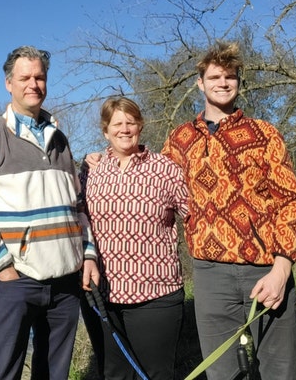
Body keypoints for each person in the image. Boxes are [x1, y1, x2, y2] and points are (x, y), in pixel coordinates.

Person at [161, 41, 296, 380]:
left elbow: (290, 201)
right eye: (214, 77)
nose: (222, 83)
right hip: (210, 275)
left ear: (239, 81)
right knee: (222, 373)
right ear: (200, 83)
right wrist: (104, 158)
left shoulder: (264, 134)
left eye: (230, 76)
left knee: (280, 371)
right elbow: (153, 181)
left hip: (266, 269)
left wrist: (281, 270)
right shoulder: (179, 139)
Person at [0, 45, 99, 380]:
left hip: (66, 280)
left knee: (53, 373)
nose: (33, 84)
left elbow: (78, 208)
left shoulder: (60, 140)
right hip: (17, 279)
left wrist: (89, 254)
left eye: (39, 77)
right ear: (9, 83)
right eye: (25, 77)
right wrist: (1, 267)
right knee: (1, 373)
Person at [80, 96, 189, 380]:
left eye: (131, 122)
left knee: (155, 374)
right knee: (115, 374)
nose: (125, 129)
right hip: (103, 294)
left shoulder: (165, 169)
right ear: (106, 130)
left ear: (140, 126)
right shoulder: (91, 171)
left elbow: (196, 216)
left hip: (155, 294)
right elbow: (77, 221)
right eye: (117, 123)